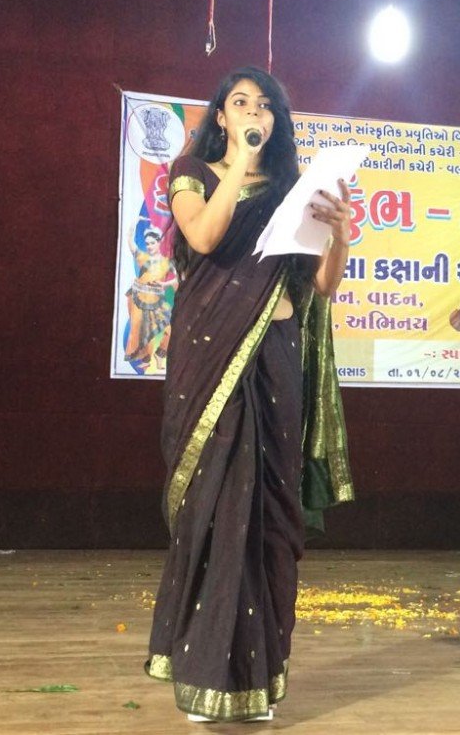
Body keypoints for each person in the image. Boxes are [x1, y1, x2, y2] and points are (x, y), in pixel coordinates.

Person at [144, 67, 354, 724]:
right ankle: (204, 676)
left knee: (268, 520)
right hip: (212, 362)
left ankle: (257, 681)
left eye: (264, 106)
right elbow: (205, 237)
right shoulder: (192, 173)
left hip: (276, 361)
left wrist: (341, 231)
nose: (253, 112)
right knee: (215, 512)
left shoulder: (294, 190)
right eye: (241, 104)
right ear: (222, 117)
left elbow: (322, 286)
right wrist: (239, 160)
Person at [124, 219, 177, 371]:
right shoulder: (142, 257)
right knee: (141, 330)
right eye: (147, 244)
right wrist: (135, 223)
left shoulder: (167, 262)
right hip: (138, 298)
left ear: (159, 243)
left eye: (152, 243)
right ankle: (146, 358)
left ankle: (160, 354)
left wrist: (165, 284)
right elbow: (130, 240)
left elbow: (179, 278)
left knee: (169, 328)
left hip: (157, 300)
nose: (149, 246)